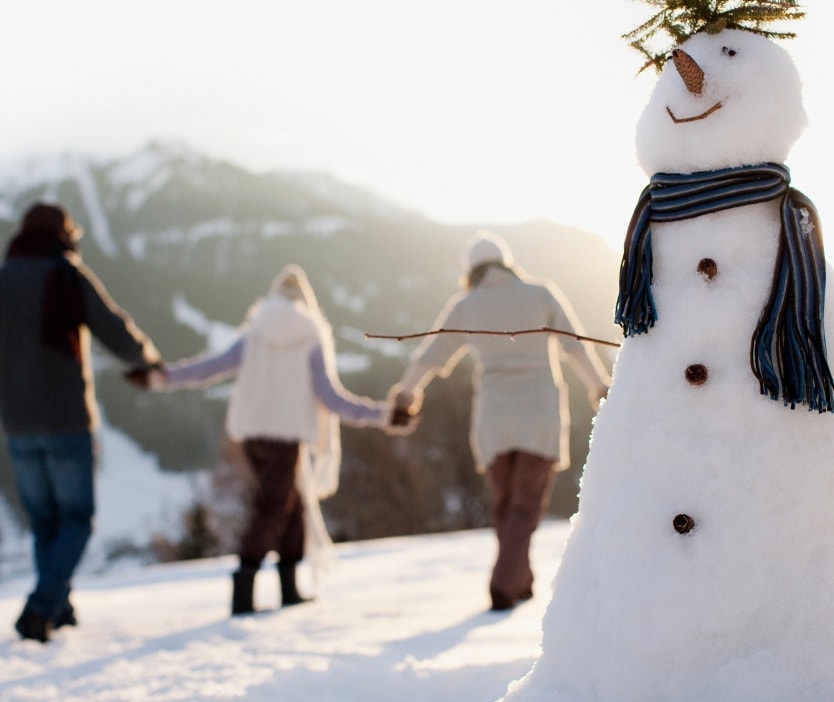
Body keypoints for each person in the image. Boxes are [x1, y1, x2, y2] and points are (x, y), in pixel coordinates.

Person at [146, 264, 404, 616]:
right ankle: (244, 584)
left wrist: (162, 378)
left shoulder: (255, 333)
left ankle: (288, 586)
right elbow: (332, 399)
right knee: (271, 508)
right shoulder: (311, 335)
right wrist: (383, 415)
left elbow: (210, 367)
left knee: (291, 507)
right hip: (286, 438)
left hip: (252, 436)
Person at [390, 230, 610, 611]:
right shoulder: (541, 293)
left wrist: (407, 396)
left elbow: (428, 357)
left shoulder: (467, 304)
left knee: (505, 505)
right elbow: (576, 344)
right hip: (538, 411)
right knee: (524, 507)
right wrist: (599, 387)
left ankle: (520, 580)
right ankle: (505, 586)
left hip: (494, 417)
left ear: (471, 271)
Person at [0, 202, 162, 642]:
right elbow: (113, 328)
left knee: (45, 521)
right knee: (76, 519)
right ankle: (39, 608)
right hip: (65, 417)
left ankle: (59, 605)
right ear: (62, 233)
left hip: (16, 422)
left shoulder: (4, 276)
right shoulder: (64, 272)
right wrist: (147, 360)